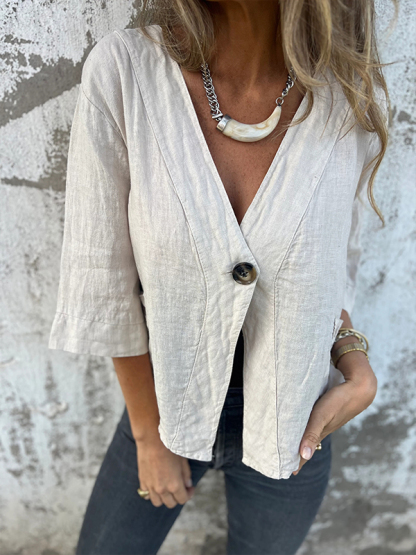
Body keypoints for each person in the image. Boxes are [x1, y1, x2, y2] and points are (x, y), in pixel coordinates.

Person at [48, 1, 391, 553]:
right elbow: (103, 281)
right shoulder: (126, 71)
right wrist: (148, 435)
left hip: (296, 422)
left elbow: (329, 276)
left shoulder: (346, 92)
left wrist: (356, 362)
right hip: (162, 404)